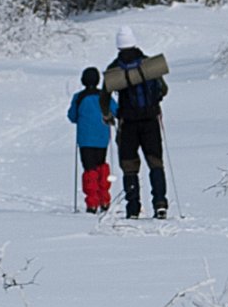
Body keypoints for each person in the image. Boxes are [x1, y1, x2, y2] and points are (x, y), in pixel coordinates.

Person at [107, 26, 169, 218]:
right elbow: (163, 89)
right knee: (155, 163)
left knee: (129, 166)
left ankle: (133, 208)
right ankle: (160, 203)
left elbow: (104, 96)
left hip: (128, 124)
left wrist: (108, 115)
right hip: (150, 121)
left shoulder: (114, 69)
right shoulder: (149, 65)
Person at [67, 66, 114, 213]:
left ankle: (92, 202)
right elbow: (116, 110)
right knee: (101, 167)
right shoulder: (104, 96)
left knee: (89, 169)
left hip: (85, 139)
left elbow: (72, 116)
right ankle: (104, 199)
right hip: (102, 138)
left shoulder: (79, 97)